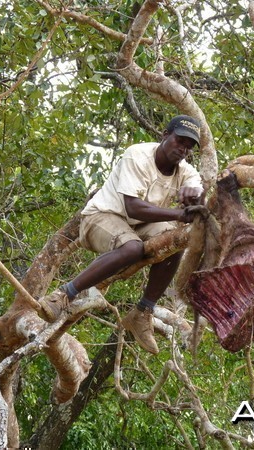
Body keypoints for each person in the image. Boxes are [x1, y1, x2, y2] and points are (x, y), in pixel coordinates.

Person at [38, 115, 207, 354]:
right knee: (132, 248)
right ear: (165, 135)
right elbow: (133, 207)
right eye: (179, 141)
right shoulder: (137, 155)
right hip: (101, 217)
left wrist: (196, 195)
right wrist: (179, 214)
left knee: (175, 241)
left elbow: (198, 190)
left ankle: (143, 312)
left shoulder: (185, 171)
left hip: (138, 226)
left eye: (188, 147)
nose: (183, 149)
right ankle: (63, 295)